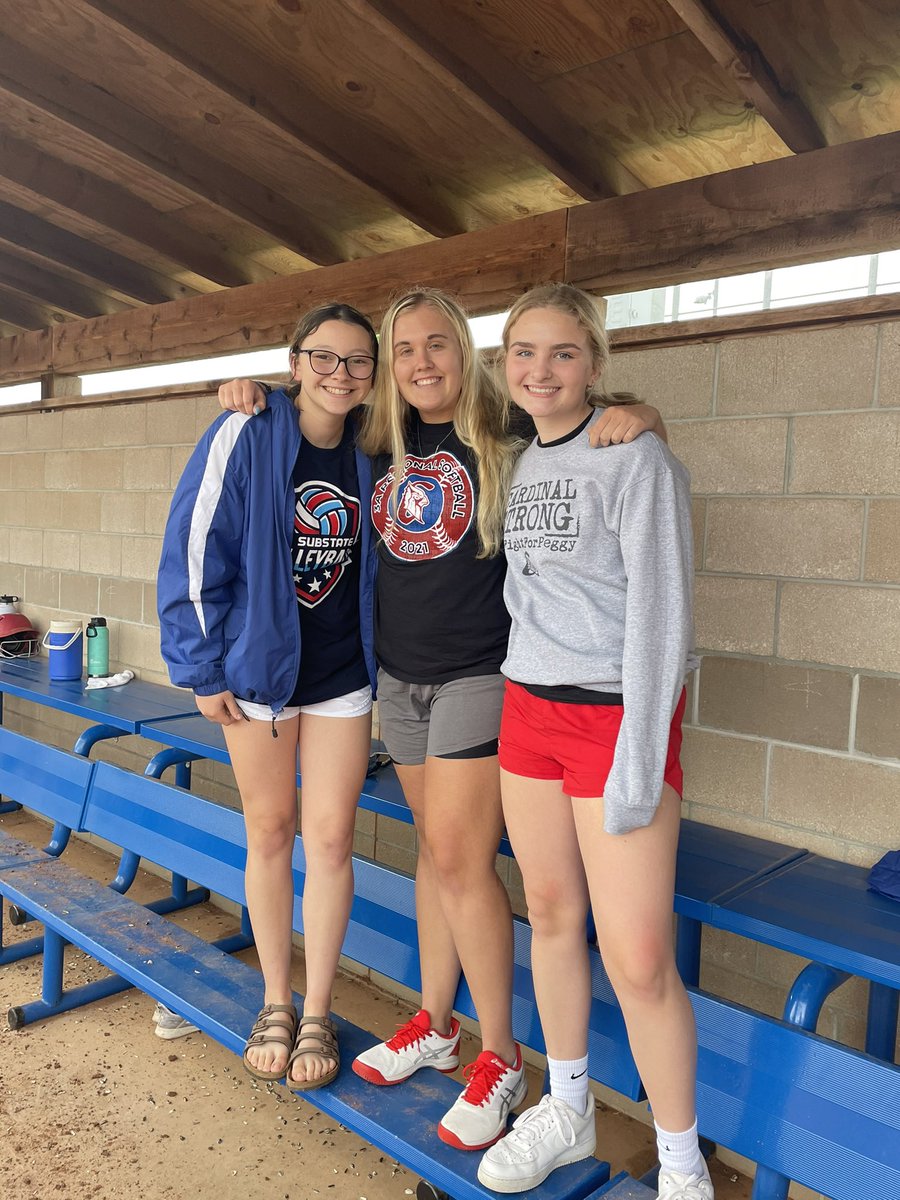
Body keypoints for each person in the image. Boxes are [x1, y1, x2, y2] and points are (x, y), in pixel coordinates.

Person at [217, 286, 664, 1151]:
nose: (422, 362)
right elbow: (312, 402)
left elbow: (591, 416)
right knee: (435, 853)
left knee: (461, 861)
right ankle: (437, 1021)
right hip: (398, 676)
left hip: (478, 674)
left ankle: (502, 1056)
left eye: (438, 344)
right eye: (405, 349)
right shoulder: (376, 437)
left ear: (466, 351)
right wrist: (255, 391)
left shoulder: (506, 428)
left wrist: (641, 413)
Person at [475, 283, 708, 1198]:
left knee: (639, 958)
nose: (542, 370)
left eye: (563, 352)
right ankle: (567, 1107)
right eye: (524, 352)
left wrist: (639, 765)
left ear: (595, 364)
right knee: (550, 914)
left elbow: (663, 620)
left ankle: (681, 1164)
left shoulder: (636, 457)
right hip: (528, 712)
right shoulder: (517, 459)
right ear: (505, 364)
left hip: (614, 719)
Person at [158, 302, 379, 1092]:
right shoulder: (245, 431)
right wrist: (200, 666)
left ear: (373, 374)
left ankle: (318, 1010)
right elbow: (194, 548)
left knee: (332, 841)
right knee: (271, 831)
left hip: (343, 676)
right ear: (294, 363)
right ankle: (276, 1000)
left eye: (358, 361)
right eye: (324, 357)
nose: (340, 374)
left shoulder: (378, 444)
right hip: (257, 672)